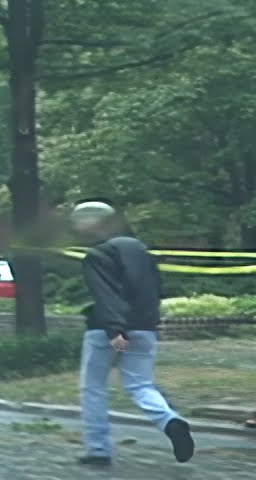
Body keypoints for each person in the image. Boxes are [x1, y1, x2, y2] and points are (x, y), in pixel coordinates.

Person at [71, 199, 194, 466]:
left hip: (107, 331)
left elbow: (107, 295)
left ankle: (98, 449)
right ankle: (170, 421)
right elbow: (153, 291)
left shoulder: (98, 256)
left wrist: (116, 329)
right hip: (145, 328)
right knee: (141, 385)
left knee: (93, 388)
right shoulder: (142, 252)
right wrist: (150, 323)